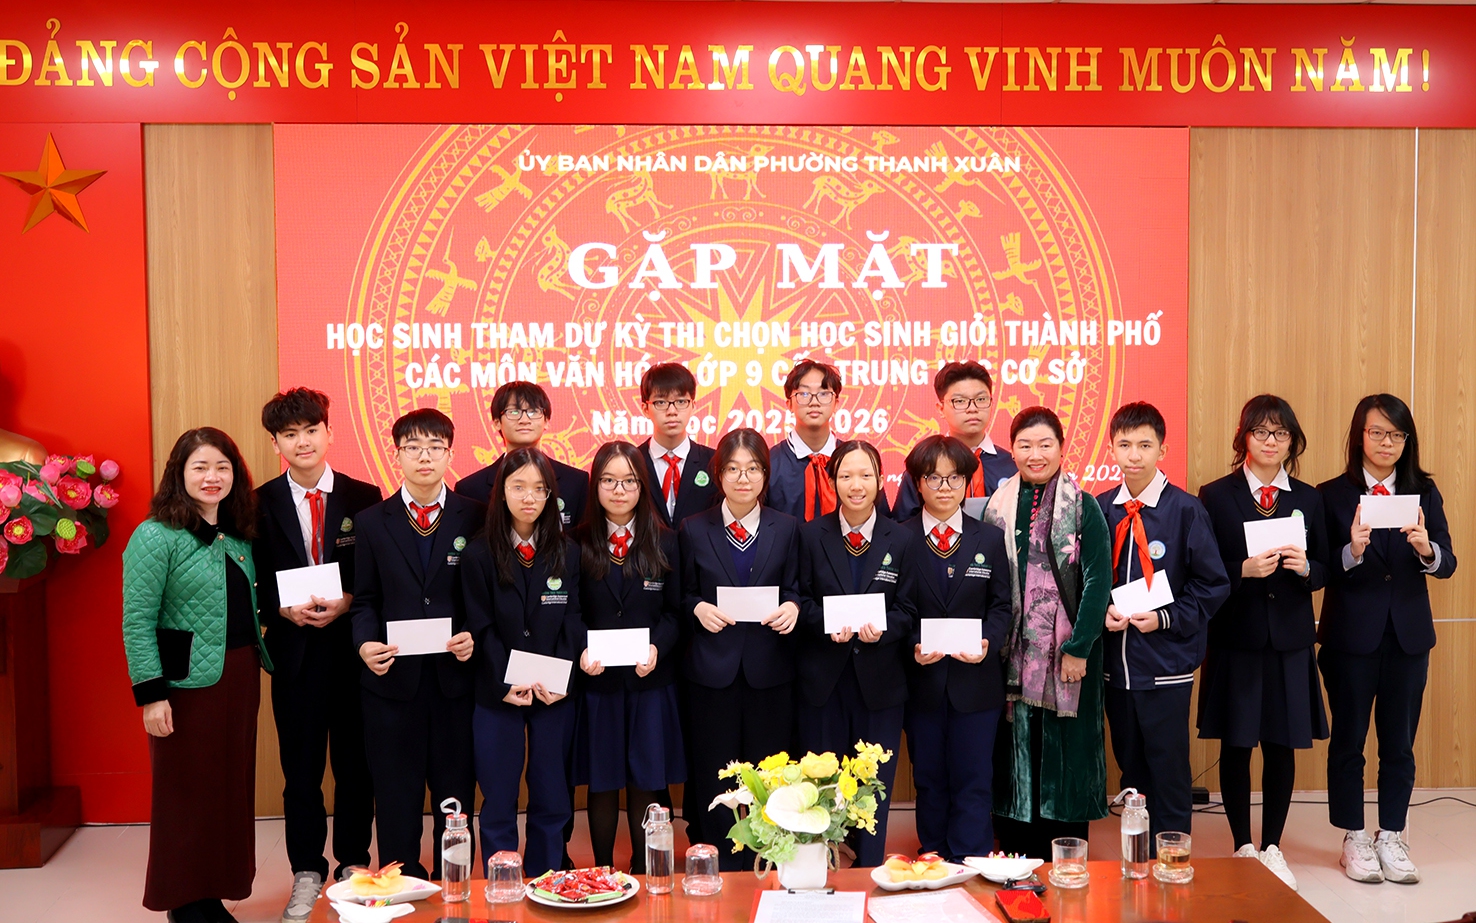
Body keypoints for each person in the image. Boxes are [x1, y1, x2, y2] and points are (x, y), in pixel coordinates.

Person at [122, 428, 272, 923]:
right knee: (185, 795)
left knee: (228, 791)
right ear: (179, 474)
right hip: (184, 688)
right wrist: (151, 695)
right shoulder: (154, 535)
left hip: (239, 678)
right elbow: (137, 621)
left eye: (222, 467)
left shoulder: (237, 534)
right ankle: (184, 904)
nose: (212, 477)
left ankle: (212, 895)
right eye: (200, 467)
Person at [253, 389, 382, 922]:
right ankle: (306, 870)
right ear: (276, 443)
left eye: (311, 431)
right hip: (296, 654)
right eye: (290, 435)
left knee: (356, 768)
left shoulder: (364, 495)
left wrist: (349, 600)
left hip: (351, 652)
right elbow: (253, 578)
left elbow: (376, 573)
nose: (302, 442)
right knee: (300, 771)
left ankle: (353, 864)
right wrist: (280, 610)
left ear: (329, 433)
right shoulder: (258, 503)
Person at [1318, 394, 1456, 885]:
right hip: (1350, 639)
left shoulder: (1424, 492)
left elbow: (1448, 562)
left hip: (1408, 638)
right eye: (1377, 432)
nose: (1386, 443)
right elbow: (1318, 569)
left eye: (1396, 435)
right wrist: (1351, 552)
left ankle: (1392, 834)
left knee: (1399, 745)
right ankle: (1354, 837)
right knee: (1349, 743)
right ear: (1360, 436)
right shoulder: (1331, 494)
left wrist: (1426, 549)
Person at [1197, 395, 1329, 891]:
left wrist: (1308, 568)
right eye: (1261, 432)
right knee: (1237, 743)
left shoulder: (1309, 498)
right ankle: (1242, 845)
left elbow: (1327, 569)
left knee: (1280, 743)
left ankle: (1273, 846)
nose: (1271, 441)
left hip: (1290, 640)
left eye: (1281, 433)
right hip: (1236, 636)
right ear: (1244, 438)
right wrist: (1242, 570)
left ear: (1292, 442)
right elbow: (1202, 567)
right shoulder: (1215, 495)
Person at [349, 408, 479, 879]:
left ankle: (455, 884)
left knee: (454, 794)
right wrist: (364, 645)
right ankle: (400, 886)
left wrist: (473, 635)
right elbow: (365, 600)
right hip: (391, 683)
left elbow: (485, 597)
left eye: (435, 447)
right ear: (397, 454)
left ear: (450, 453)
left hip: (454, 681)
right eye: (414, 447)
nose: (425, 457)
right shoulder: (371, 521)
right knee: (396, 795)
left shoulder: (475, 514)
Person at [1094, 403, 1229, 849]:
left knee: (1168, 770)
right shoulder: (1101, 509)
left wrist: (1164, 618)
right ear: (1111, 448)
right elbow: (1087, 581)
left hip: (1166, 667)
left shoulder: (1186, 510)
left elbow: (1212, 584)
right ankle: (1138, 859)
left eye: (1145, 445)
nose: (1134, 455)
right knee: (1131, 770)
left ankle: (1172, 860)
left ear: (1162, 450)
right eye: (1125, 445)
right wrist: (1102, 611)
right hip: (1116, 671)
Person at [983, 407, 1111, 861]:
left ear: (1061, 448)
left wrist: (1078, 648)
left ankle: (1067, 856)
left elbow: (1098, 581)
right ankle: (1017, 856)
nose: (1035, 454)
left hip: (1068, 657)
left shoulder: (1084, 506)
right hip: (1010, 655)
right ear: (1012, 449)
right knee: (1015, 752)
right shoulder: (996, 506)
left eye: (1045, 444)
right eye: (1025, 445)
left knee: (1066, 756)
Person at [679, 428, 801, 868]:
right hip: (712, 672)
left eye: (752, 469)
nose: (743, 478)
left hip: (770, 670)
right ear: (719, 475)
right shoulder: (694, 528)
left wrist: (792, 606)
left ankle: (769, 859)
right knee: (715, 771)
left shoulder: (787, 528)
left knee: (768, 773)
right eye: (733, 469)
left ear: (765, 475)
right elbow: (681, 594)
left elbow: (798, 588)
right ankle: (718, 861)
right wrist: (697, 608)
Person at [462, 447, 585, 876]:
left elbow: (573, 621)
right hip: (498, 692)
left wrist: (561, 680)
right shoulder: (478, 554)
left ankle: (546, 880)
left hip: (553, 693)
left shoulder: (568, 552)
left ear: (551, 495)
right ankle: (503, 884)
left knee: (552, 795)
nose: (529, 497)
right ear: (501, 492)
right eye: (518, 487)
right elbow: (481, 626)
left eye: (538, 488)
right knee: (498, 797)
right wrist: (504, 683)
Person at [796, 440, 916, 866]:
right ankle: (820, 871)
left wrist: (883, 629)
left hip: (880, 685)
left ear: (881, 480)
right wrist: (824, 624)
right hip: (823, 683)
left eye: (866, 475)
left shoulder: (902, 538)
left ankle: (867, 870)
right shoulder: (810, 535)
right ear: (833, 482)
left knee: (872, 792)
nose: (856, 484)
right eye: (846, 475)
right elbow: (799, 600)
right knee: (820, 789)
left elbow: (908, 609)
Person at [898, 436, 1013, 863]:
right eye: (934, 478)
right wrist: (912, 643)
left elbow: (1001, 605)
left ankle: (970, 857)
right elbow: (896, 606)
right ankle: (934, 854)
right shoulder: (900, 537)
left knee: (974, 777)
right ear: (918, 483)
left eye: (954, 478)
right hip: (922, 680)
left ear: (967, 482)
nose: (944, 487)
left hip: (976, 681)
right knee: (929, 777)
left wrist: (989, 642)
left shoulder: (990, 538)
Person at [571, 441, 685, 871]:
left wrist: (657, 647)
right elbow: (570, 612)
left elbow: (675, 612)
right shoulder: (576, 542)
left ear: (643, 486)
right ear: (595, 485)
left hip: (649, 680)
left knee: (645, 782)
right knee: (602, 784)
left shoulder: (666, 541)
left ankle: (643, 871)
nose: (619, 490)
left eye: (629, 481)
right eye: (609, 481)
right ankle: (602, 871)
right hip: (597, 682)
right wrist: (582, 648)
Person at [893, 361, 1017, 523]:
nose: (972, 408)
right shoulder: (924, 464)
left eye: (981, 399)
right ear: (940, 409)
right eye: (960, 401)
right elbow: (903, 526)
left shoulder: (1013, 465)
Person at [768, 359, 890, 523]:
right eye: (804, 394)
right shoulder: (769, 463)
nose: (814, 402)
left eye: (824, 394)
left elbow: (884, 526)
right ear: (789, 404)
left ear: (836, 403)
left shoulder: (859, 460)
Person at [455, 380, 588, 529]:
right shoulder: (470, 488)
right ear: (497, 422)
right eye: (514, 412)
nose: (524, 420)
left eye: (533, 412)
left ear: (546, 421)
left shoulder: (576, 482)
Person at [637, 362, 720, 530]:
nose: (672, 411)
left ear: (693, 406)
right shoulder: (632, 463)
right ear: (645, 409)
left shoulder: (715, 462)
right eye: (661, 402)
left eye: (681, 401)